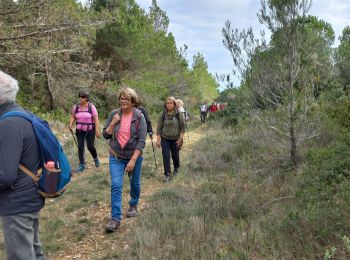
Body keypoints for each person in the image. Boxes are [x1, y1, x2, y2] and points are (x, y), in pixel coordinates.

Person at [0, 70, 45, 259]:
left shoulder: (8, 123)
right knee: (34, 252)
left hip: (17, 203)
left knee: (22, 256)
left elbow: (5, 175)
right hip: (30, 195)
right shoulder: (22, 114)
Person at [103, 87, 147, 232]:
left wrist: (133, 160)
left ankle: (133, 204)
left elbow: (141, 141)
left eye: (126, 99)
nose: (123, 101)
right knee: (116, 185)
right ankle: (115, 218)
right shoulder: (114, 114)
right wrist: (113, 123)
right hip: (115, 156)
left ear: (133, 101)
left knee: (134, 182)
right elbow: (106, 135)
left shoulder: (139, 117)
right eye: (121, 98)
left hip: (134, 156)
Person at [68, 90, 101, 172]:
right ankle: (82, 164)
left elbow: (96, 119)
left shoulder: (91, 107)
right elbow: (73, 117)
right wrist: (70, 125)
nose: (80, 98)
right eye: (80, 96)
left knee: (90, 146)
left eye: (82, 97)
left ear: (87, 98)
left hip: (90, 130)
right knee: (80, 147)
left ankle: (95, 158)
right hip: (79, 130)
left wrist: (97, 130)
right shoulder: (76, 107)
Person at [156, 96, 185, 181]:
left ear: (174, 104)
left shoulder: (179, 113)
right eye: (167, 103)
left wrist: (180, 138)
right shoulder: (162, 114)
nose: (169, 105)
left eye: (170, 103)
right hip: (165, 138)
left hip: (176, 138)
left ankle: (176, 169)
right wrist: (158, 139)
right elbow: (159, 127)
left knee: (175, 155)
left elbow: (182, 127)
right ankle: (167, 174)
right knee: (166, 155)